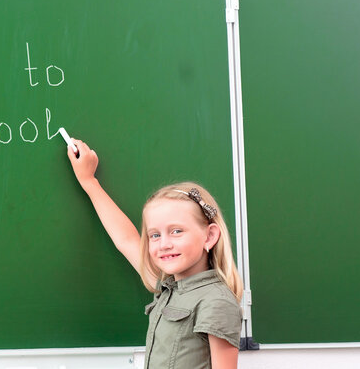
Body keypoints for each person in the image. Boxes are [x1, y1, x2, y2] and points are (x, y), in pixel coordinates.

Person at [66, 139, 243, 369]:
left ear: (209, 236)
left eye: (176, 231)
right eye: (154, 235)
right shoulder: (168, 287)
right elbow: (126, 239)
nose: (164, 244)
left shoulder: (216, 301)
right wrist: (89, 181)